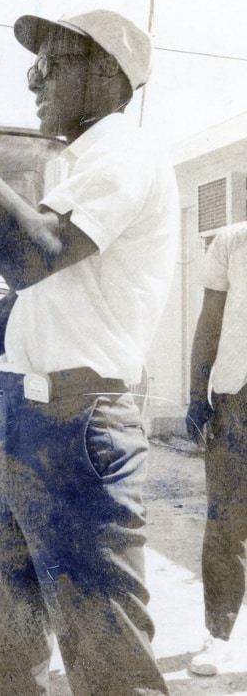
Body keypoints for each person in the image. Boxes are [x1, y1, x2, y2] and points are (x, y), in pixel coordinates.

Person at [0, 9, 179, 694]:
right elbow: (28, 306)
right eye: (33, 68)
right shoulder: (80, 167)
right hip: (25, 425)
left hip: (82, 428)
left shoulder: (125, 155)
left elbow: (34, 257)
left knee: (110, 660)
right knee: (5, 652)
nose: (35, 82)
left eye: (51, 65)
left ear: (109, 75)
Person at [185, 220, 247, 676]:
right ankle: (218, 637)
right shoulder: (232, 240)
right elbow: (211, 319)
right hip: (236, 397)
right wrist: (195, 394)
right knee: (225, 523)